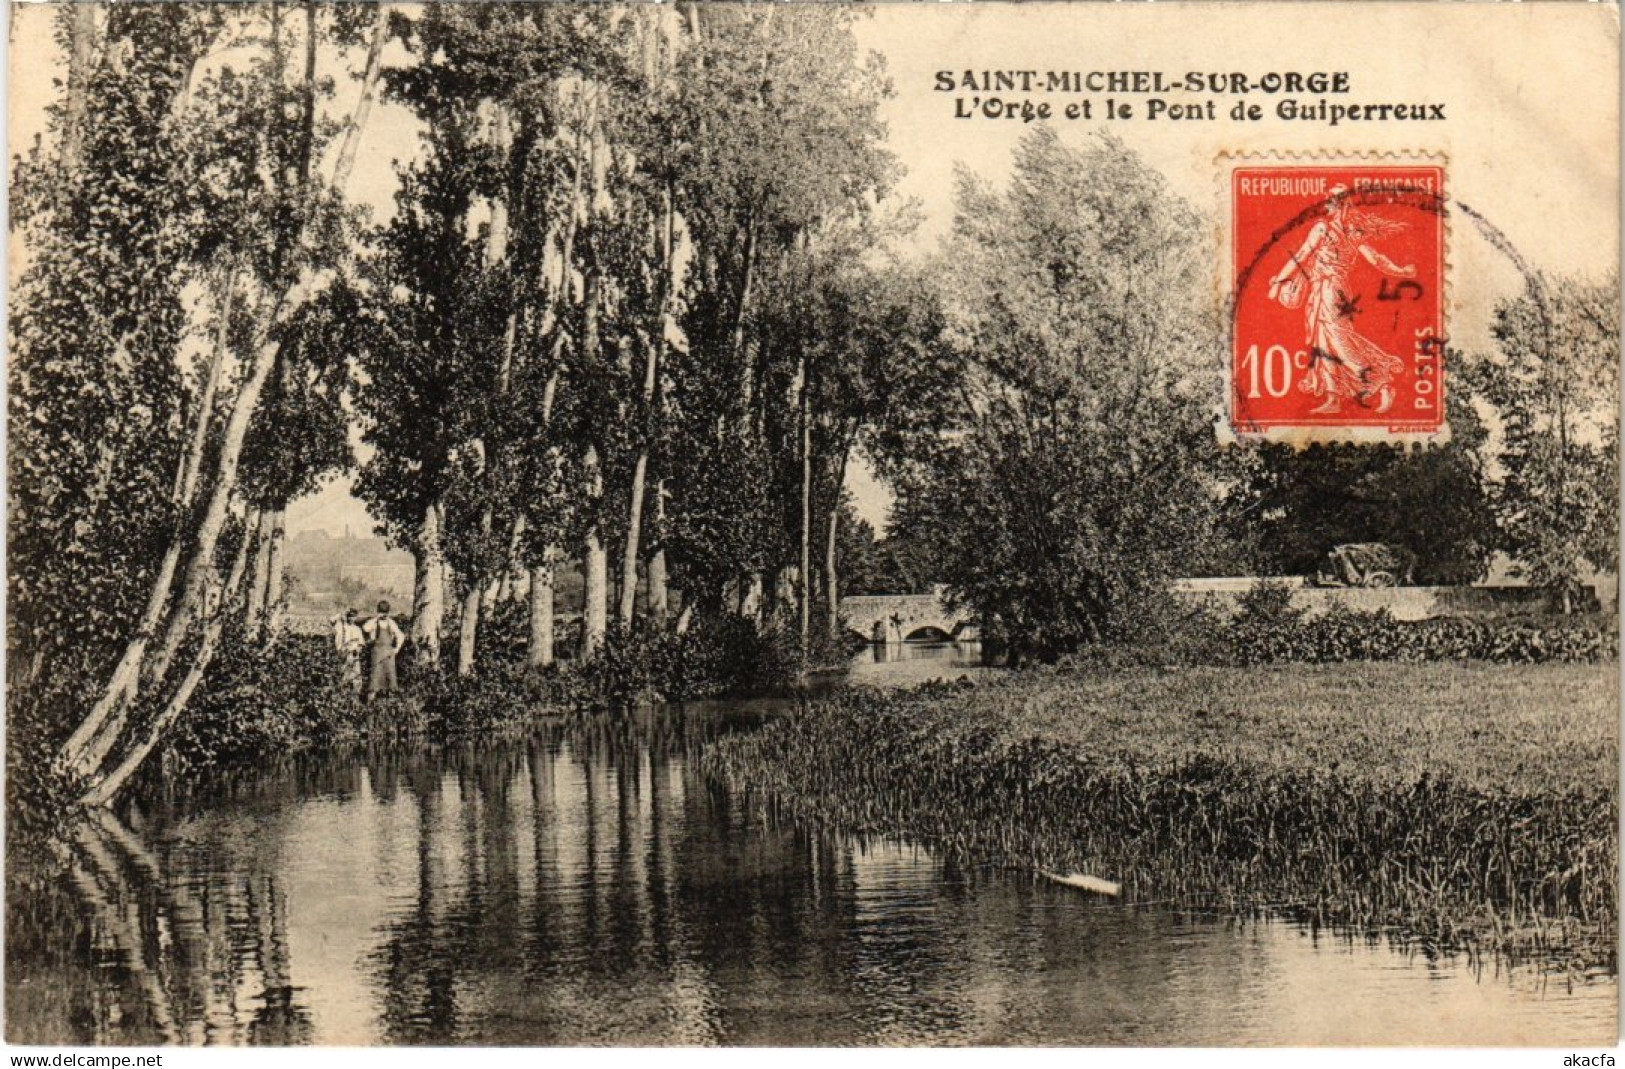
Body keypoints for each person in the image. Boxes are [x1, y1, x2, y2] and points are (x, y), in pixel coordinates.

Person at [1268, 185, 1417, 415]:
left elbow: (1301, 256)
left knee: (1338, 341)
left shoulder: (1322, 228)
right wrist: (1402, 271)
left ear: (1338, 204)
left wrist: (1279, 280)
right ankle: (1333, 398)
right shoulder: (1353, 232)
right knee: (1323, 342)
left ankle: (1380, 380)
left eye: (1329, 201)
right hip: (1332, 290)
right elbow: (1377, 259)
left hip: (1329, 289)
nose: (1325, 204)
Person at [362, 600, 405, 700]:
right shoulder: (374, 623)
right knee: (374, 681)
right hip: (376, 653)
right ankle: (370, 705)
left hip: (389, 654)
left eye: (385, 612)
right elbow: (365, 628)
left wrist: (397, 649)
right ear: (378, 611)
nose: (383, 614)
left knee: (390, 680)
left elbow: (401, 635)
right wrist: (376, 618)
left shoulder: (391, 623)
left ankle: (390, 706)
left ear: (388, 612)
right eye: (381, 611)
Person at [332, 609, 365, 694]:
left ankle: (356, 694)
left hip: (354, 655)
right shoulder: (341, 626)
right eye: (350, 616)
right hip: (344, 653)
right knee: (344, 674)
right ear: (347, 616)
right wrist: (340, 613)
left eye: (353, 616)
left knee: (356, 675)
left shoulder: (357, 629)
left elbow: (361, 643)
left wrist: (357, 650)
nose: (351, 618)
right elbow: (331, 620)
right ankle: (343, 693)